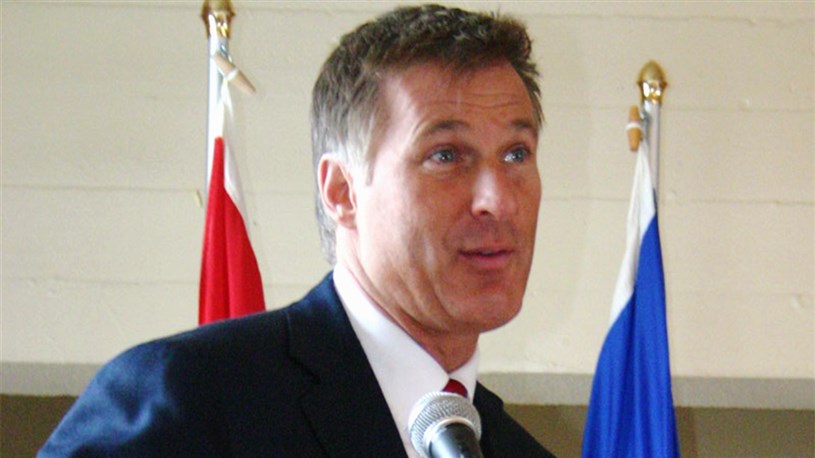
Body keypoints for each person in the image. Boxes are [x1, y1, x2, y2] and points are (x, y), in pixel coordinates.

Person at [40, 4, 555, 457]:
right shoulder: (193, 399)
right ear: (342, 192)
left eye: (516, 154)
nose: (499, 200)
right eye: (445, 155)